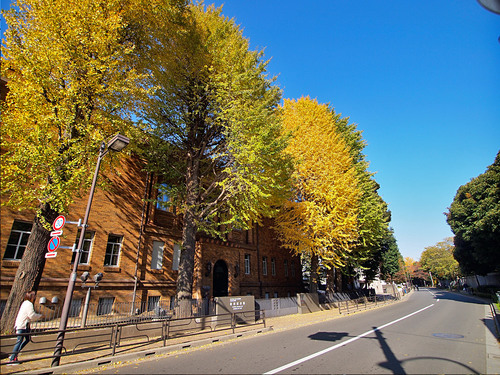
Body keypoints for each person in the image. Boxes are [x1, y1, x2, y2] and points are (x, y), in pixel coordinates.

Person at [8, 291, 42, 364]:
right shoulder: (28, 304)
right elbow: (31, 315)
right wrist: (40, 316)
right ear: (31, 297)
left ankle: (14, 354)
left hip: (24, 325)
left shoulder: (25, 303)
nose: (35, 298)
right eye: (34, 296)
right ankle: (12, 359)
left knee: (27, 339)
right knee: (19, 341)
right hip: (22, 326)